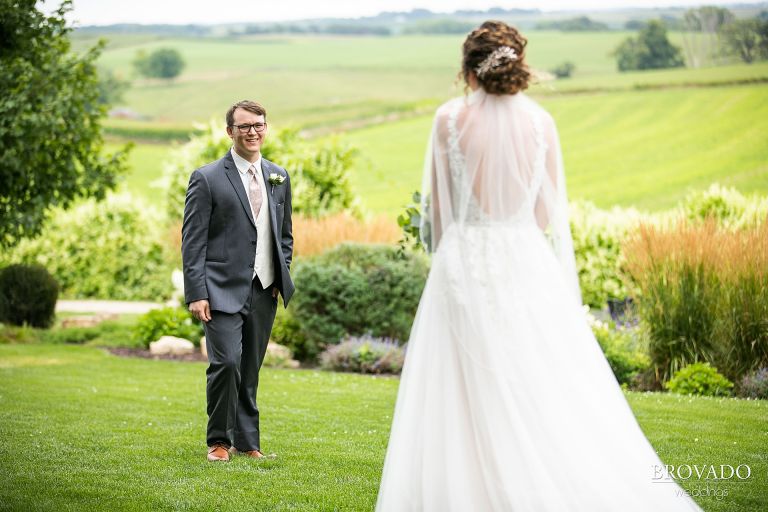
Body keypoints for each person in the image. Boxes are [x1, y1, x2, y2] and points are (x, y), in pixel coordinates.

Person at [375, 21, 702, 511]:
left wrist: (454, 246)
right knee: (538, 372)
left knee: (461, 382)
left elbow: (439, 213)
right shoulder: (541, 123)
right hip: (525, 258)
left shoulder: (448, 121)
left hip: (464, 260)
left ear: (468, 68)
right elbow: (546, 213)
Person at [182, 100, 294, 462]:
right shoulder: (208, 177)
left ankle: (248, 443)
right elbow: (193, 241)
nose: (252, 131)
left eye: (258, 125)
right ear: (230, 131)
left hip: (263, 289)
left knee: (250, 369)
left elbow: (285, 235)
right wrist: (197, 292)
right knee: (226, 362)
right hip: (219, 290)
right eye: (244, 126)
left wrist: (280, 273)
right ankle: (218, 441)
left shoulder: (278, 176)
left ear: (266, 127)